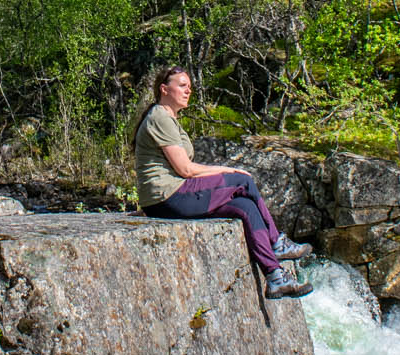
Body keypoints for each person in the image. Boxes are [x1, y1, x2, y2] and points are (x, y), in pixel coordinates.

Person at [132, 64, 315, 299]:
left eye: (189, 87)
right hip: (168, 197)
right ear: (164, 89)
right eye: (182, 86)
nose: (188, 91)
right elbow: (186, 169)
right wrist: (231, 170)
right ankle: (277, 243)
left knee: (245, 207)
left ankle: (275, 277)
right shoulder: (159, 117)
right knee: (243, 182)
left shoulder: (170, 119)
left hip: (172, 196)